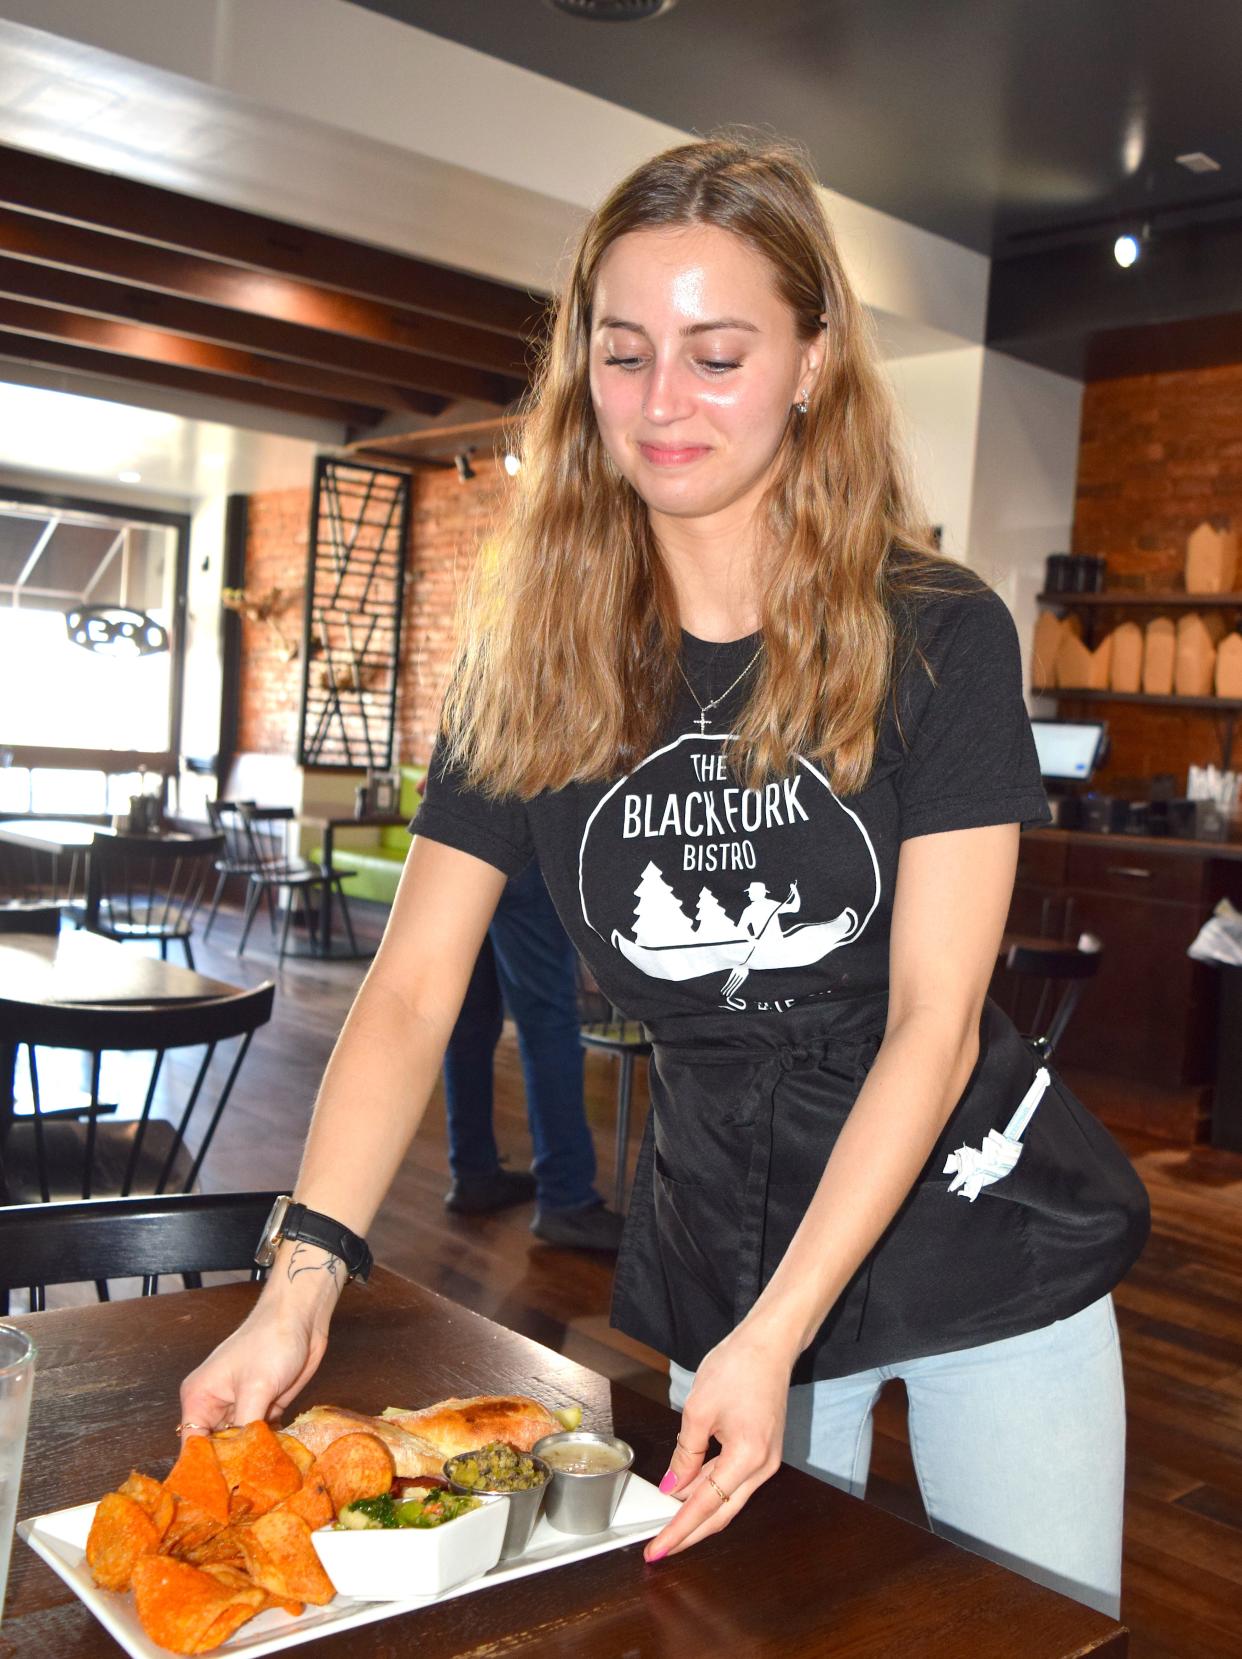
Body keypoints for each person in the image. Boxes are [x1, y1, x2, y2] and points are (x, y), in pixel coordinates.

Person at [180, 133, 1149, 1619]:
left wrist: (777, 1336)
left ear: (813, 360)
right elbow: (413, 984)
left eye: (717, 351)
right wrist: (300, 1279)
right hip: (720, 1233)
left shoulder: (935, 631)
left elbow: (934, 1020)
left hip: (978, 1241)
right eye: (624, 353)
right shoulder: (533, 661)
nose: (661, 403)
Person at [442, 858, 624, 1250]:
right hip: (524, 836)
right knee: (548, 1025)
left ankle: (473, 1174)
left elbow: (427, 790)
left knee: (469, 1022)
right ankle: (567, 1197)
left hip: (457, 848)